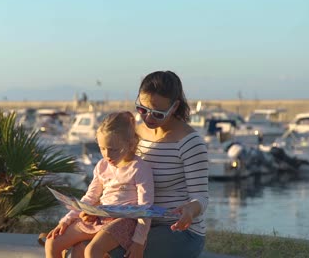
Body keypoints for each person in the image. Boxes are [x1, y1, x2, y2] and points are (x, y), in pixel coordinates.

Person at [109, 70, 209, 257]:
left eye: (158, 114)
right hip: (137, 222)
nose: (148, 118)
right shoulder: (134, 135)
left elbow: (201, 198)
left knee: (113, 253)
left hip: (178, 229)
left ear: (174, 106)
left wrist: (189, 210)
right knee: (81, 247)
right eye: (142, 109)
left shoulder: (189, 142)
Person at [45, 111, 154, 258]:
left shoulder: (139, 168)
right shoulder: (102, 165)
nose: (107, 155)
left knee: (91, 251)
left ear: (130, 144)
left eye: (113, 149)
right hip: (99, 217)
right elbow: (90, 197)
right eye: (102, 148)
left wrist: (139, 242)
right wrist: (67, 219)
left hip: (124, 221)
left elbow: (145, 209)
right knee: (52, 242)